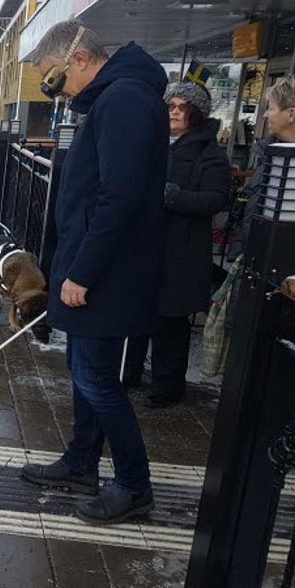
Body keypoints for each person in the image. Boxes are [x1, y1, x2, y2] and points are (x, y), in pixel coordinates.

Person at [20, 22, 168, 525]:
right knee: (83, 373)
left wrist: (82, 273)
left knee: (98, 379)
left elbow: (118, 197)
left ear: (77, 59)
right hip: (96, 265)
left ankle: (133, 485)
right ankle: (82, 461)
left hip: (107, 272)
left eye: (52, 77)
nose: (53, 88)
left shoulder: (124, 99)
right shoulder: (112, 98)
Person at [123, 81, 231, 408]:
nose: (174, 112)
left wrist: (172, 196)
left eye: (182, 107)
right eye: (170, 105)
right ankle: (127, 375)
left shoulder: (208, 152)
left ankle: (167, 389)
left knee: (170, 323)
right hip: (146, 247)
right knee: (136, 314)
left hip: (180, 251)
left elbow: (215, 199)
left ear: (196, 113)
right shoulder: (153, 143)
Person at [231, 73, 295, 259]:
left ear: (291, 114)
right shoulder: (269, 153)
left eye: (271, 109)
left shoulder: (293, 162)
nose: (264, 115)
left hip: (287, 270)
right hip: (257, 259)